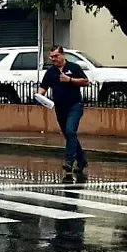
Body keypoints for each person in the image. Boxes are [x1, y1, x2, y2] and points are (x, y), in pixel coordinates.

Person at [37, 45, 89, 175]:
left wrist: (69, 80)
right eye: (52, 57)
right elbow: (42, 88)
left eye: (56, 56)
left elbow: (85, 81)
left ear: (62, 55)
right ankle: (81, 160)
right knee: (69, 135)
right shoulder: (50, 72)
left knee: (70, 130)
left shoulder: (73, 67)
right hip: (60, 108)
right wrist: (38, 96)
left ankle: (69, 161)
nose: (54, 59)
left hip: (75, 105)